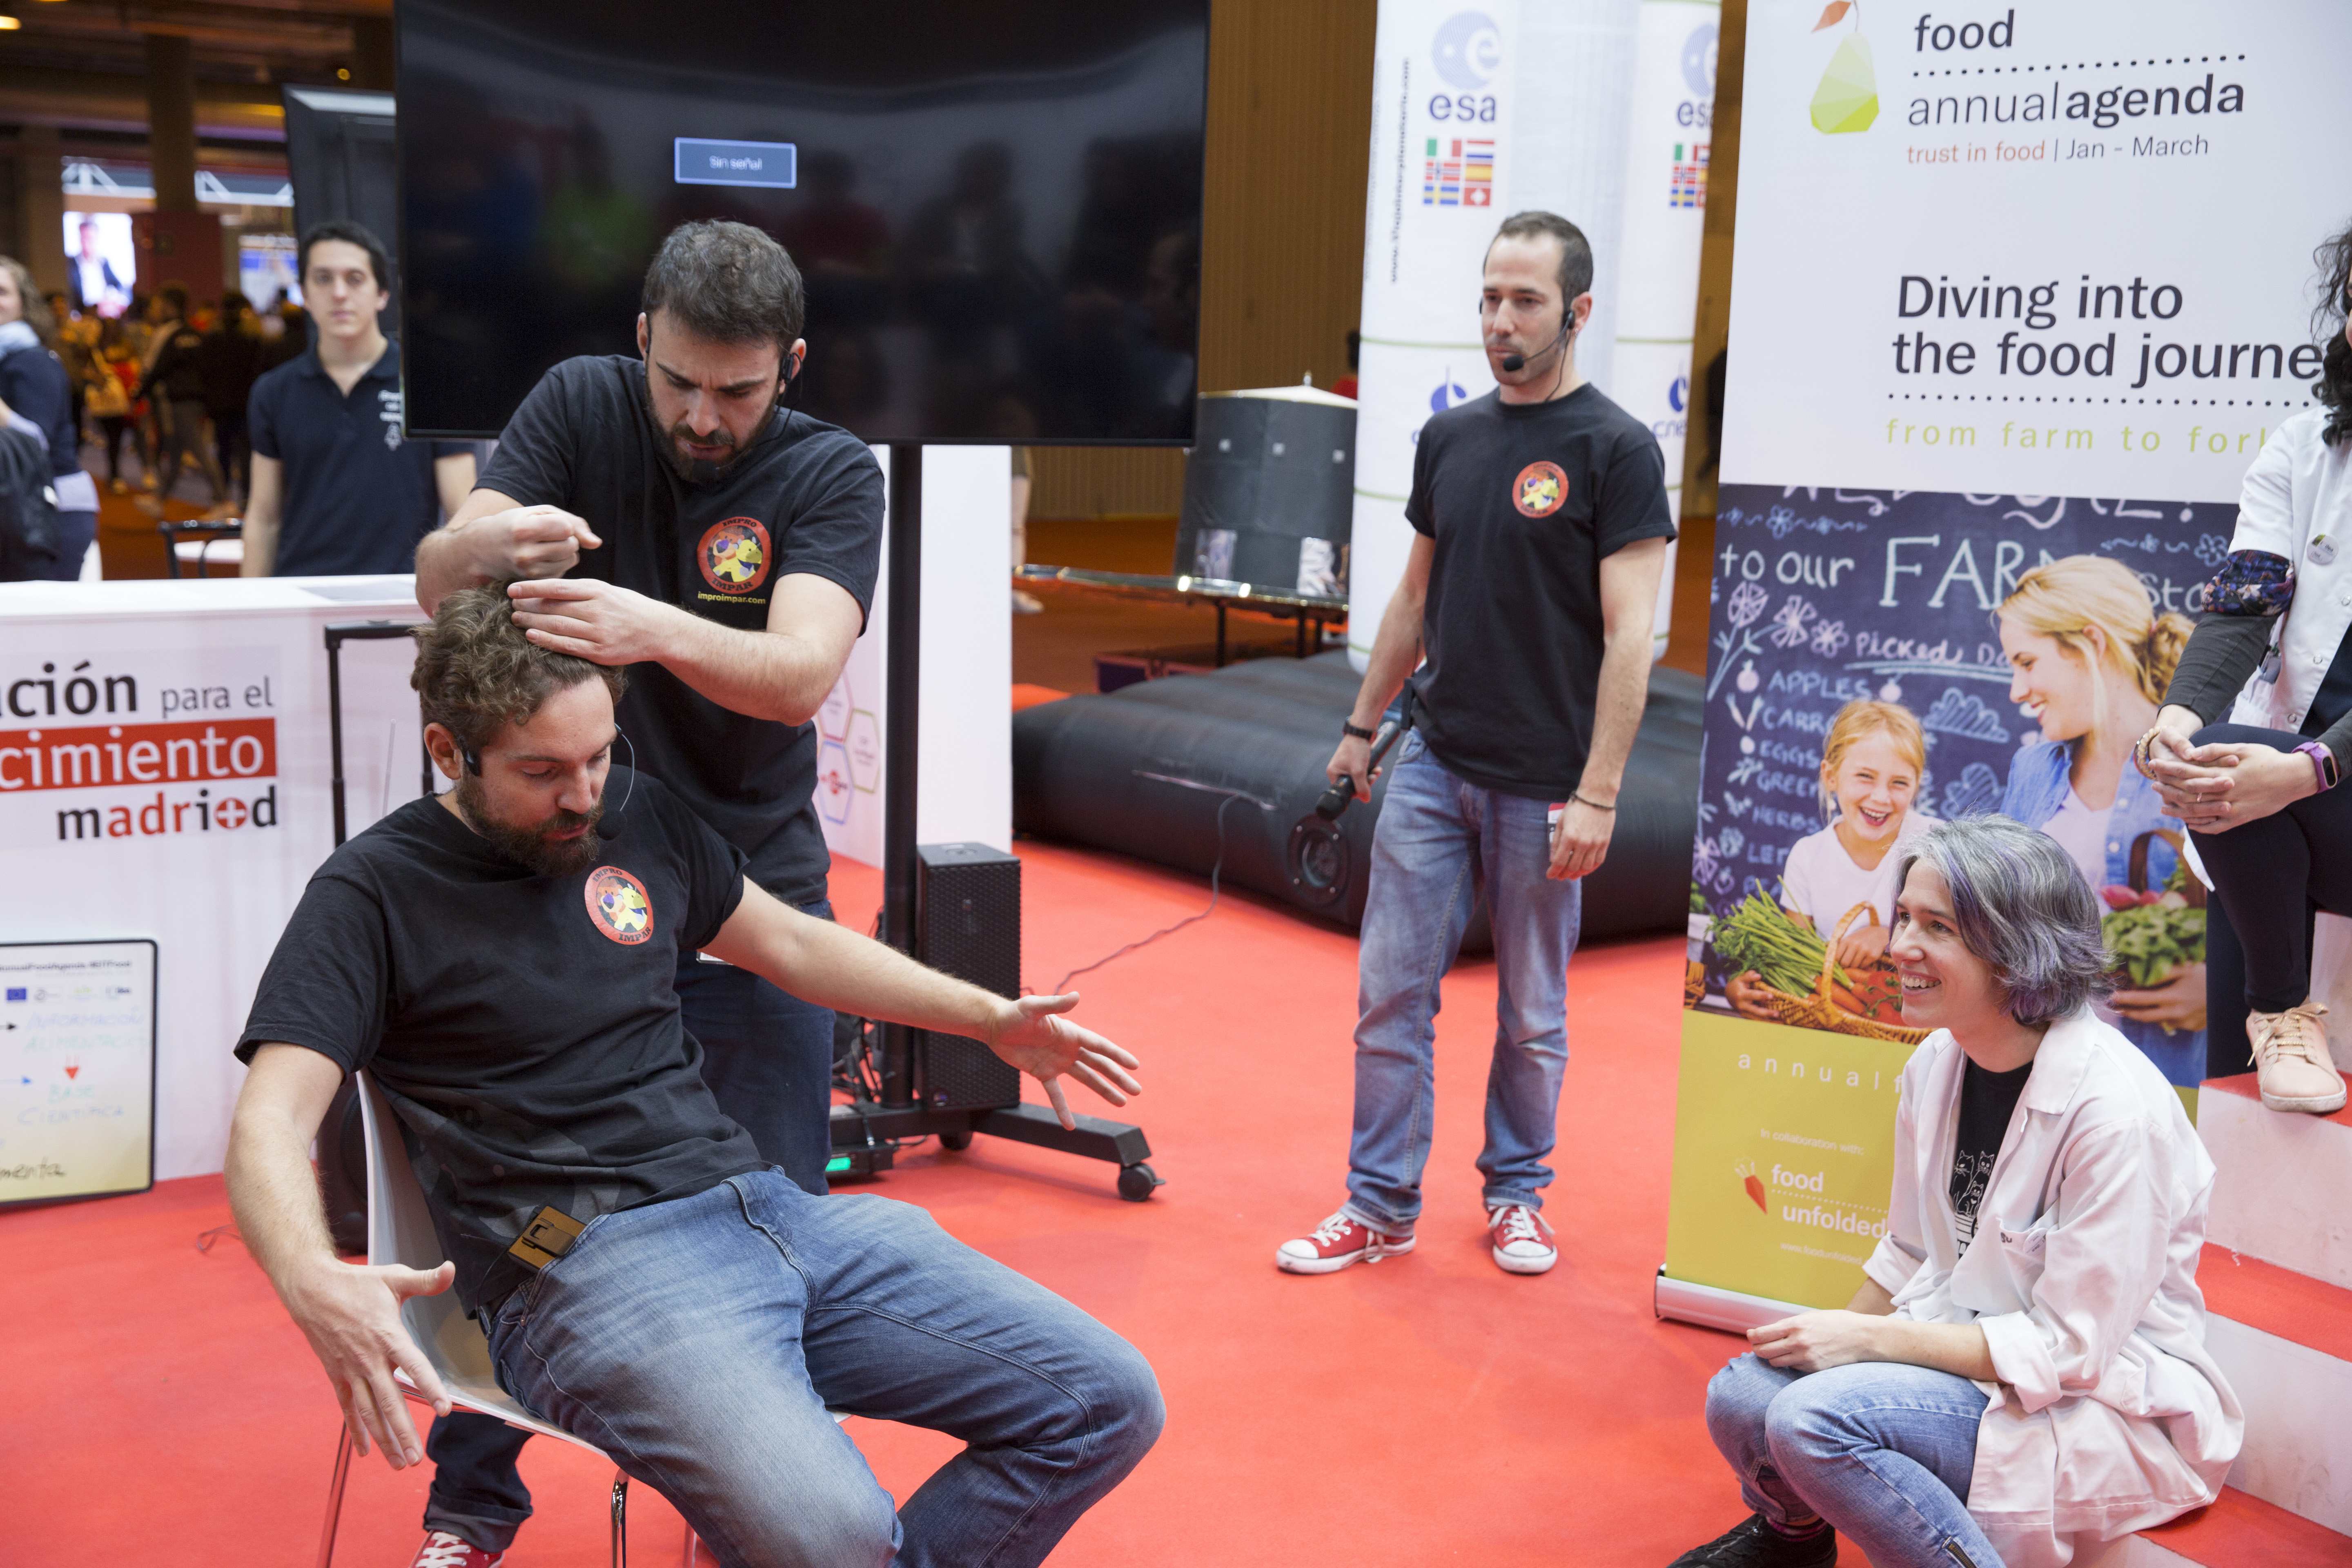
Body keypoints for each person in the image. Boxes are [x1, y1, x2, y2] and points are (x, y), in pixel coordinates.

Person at [225, 586, 1160, 1568]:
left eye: (598, 756)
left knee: (1107, 1400)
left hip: (771, 1210)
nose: (583, 796)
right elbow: (269, 1122)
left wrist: (989, 1017)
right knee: (837, 1538)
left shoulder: (636, 815)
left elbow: (791, 943)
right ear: (448, 751)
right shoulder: (371, 891)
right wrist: (309, 1278)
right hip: (584, 1267)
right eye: (542, 771)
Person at [408, 219, 882, 1564]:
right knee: (529, 1221)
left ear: (791, 366)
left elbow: (799, 675)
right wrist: (484, 540)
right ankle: (473, 1503)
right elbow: (441, 575)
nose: (702, 416)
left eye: (738, 390)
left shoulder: (831, 470)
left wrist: (648, 624)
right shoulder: (578, 402)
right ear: (642, 344)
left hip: (747, 889)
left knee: (775, 1220)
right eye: (679, 381)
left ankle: (763, 1517)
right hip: (561, 884)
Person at [1275, 210, 1675, 1278]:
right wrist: (1360, 728)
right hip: (1433, 765)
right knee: (1390, 1000)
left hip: (1547, 786)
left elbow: (1631, 637)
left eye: (1526, 301)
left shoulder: (1617, 450)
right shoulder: (1450, 438)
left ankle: (1517, 1196)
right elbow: (1414, 598)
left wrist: (1600, 791)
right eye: (1491, 298)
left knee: (1533, 1016)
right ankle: (1378, 1204)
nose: (1501, 320)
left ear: (1577, 312)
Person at [1675, 815, 2240, 1568]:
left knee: (1812, 1420)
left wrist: (1867, 1343)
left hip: (2097, 1401)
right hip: (1966, 1354)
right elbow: (1910, 1250)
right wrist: (1833, 1339)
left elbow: (2072, 1351)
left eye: (1937, 927)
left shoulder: (2116, 1114)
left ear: (2016, 949)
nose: (1900, 945)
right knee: (1744, 1397)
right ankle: (1793, 1541)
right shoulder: (1938, 1061)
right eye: (1905, 917)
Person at [2139, 218, 2352, 1117]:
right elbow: (2244, 604)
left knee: (2251, 778)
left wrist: (2313, 768)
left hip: (2316, 787)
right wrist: (2176, 723)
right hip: (2276, 809)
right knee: (2220, 758)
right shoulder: (2304, 449)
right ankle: (2277, 1013)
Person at [1995, 557, 2205, 1085]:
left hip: (2167, 1080)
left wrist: (2220, 987)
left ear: (2092, 643)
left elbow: (2282, 917)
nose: (2016, 690)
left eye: (2027, 662)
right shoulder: (2031, 770)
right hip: (2041, 1075)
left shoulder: (2205, 762)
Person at [241, 221, 475, 577]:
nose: (339, 293)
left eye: (355, 279)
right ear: (304, 294)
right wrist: (253, 602)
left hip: (403, 590)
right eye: (323, 279)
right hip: (300, 586)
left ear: (382, 294)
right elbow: (264, 517)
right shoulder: (274, 391)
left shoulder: (431, 383)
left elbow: (462, 516)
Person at [1726, 699, 1933, 1021]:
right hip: (1836, 1018)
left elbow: (1963, 942)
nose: (1881, 797)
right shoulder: (1808, 856)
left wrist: (1889, 935)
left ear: (1916, 786)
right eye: (1865, 776)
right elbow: (1793, 958)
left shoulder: (1937, 844)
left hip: (1916, 1018)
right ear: (1831, 776)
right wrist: (1743, 988)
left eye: (1899, 783)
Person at [0, 257, 100, 579]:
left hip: (53, 510)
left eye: (3, 292)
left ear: (24, 303)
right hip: (21, 507)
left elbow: (35, 440)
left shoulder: (33, 361)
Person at [194, 290, 267, 506]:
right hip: (245, 404)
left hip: (221, 405)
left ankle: (223, 494)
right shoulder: (252, 337)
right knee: (246, 452)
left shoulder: (212, 337)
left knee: (223, 451)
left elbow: (204, 372)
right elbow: (259, 373)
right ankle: (246, 495)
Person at [65, 216, 128, 316]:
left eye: (90, 239)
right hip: (84, 315)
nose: (87, 243)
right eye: (84, 238)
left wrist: (114, 298)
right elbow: (72, 296)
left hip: (106, 313)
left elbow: (118, 285)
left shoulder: (103, 262)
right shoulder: (72, 264)